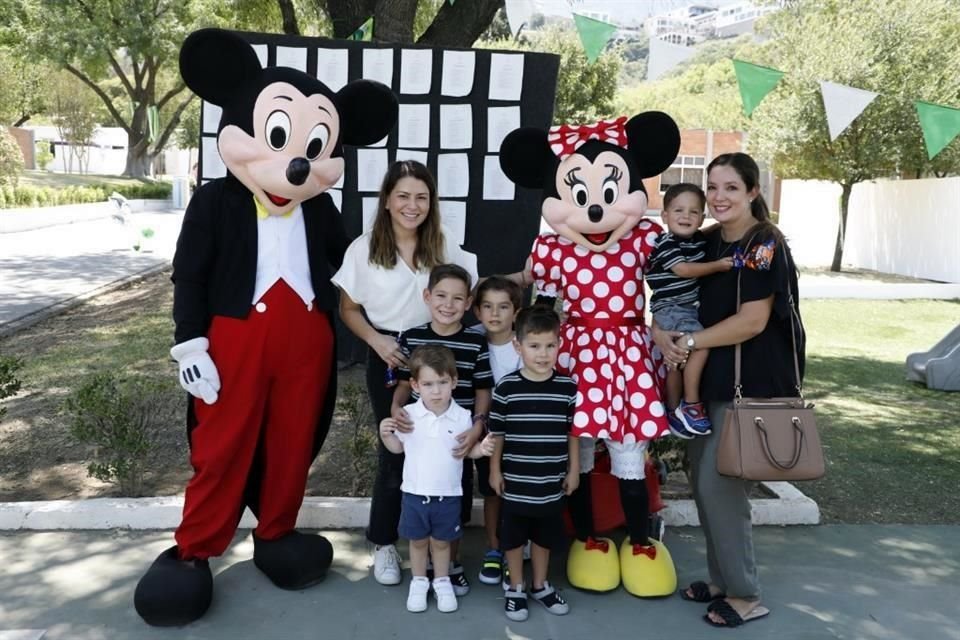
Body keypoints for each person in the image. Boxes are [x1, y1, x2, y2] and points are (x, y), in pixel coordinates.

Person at [656, 152, 804, 628]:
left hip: (752, 382)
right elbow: (670, 291)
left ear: (753, 193)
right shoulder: (707, 240)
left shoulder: (765, 244)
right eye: (712, 187)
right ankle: (721, 580)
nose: (718, 197)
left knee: (721, 488)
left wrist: (691, 341)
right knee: (703, 483)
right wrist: (662, 334)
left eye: (731, 189)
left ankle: (745, 594)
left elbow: (753, 320)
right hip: (711, 381)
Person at [331, 160, 479, 587]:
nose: (412, 205)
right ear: (387, 200)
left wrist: (524, 278)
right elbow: (348, 309)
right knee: (397, 447)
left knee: (454, 445)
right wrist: (377, 342)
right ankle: (383, 544)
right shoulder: (363, 247)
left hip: (443, 356)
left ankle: (447, 552)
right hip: (393, 354)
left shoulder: (442, 241)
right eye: (403, 196)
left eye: (421, 197)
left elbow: (470, 289)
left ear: (431, 202)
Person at [390, 263, 493, 595]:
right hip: (422, 433)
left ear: (468, 303)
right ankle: (425, 568)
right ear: (427, 296)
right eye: (441, 296)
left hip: (458, 433)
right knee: (418, 492)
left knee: (456, 497)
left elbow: (482, 390)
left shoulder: (475, 342)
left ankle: (453, 563)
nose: (448, 305)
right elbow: (404, 384)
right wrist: (395, 407)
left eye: (457, 298)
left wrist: (477, 427)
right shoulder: (412, 336)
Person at [379, 344, 494, 614]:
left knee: (443, 543)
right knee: (418, 543)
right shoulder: (409, 416)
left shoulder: (463, 416)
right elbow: (398, 448)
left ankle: (442, 582)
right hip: (415, 494)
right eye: (428, 384)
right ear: (415, 385)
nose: (436, 391)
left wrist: (482, 449)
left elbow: (467, 453)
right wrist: (386, 435)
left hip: (449, 495)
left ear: (454, 382)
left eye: (442, 382)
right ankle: (419, 582)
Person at [488, 306, 579, 622]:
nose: (543, 354)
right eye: (534, 346)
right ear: (518, 346)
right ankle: (515, 587)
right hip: (515, 483)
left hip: (550, 483)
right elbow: (497, 433)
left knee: (543, 537)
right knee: (513, 539)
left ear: (559, 344)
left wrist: (574, 470)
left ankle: (540, 585)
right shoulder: (507, 388)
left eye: (550, 345)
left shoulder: (567, 388)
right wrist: (495, 469)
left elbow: (572, 433)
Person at [647, 183, 733, 438]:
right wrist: (717, 266)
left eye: (694, 212)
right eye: (678, 211)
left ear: (701, 218)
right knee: (701, 345)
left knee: (676, 361)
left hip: (681, 310)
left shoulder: (696, 239)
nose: (686, 216)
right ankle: (691, 403)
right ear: (664, 216)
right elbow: (683, 270)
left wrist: (726, 222)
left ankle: (673, 411)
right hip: (672, 309)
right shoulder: (665, 242)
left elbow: (709, 230)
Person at [471, 276, 525, 585]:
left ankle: (515, 546)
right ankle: (494, 548)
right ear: (476, 311)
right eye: (488, 307)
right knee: (492, 491)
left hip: (520, 433)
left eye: (503, 307)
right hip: (487, 433)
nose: (495, 314)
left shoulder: (523, 345)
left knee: (518, 492)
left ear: (516, 312)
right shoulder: (472, 339)